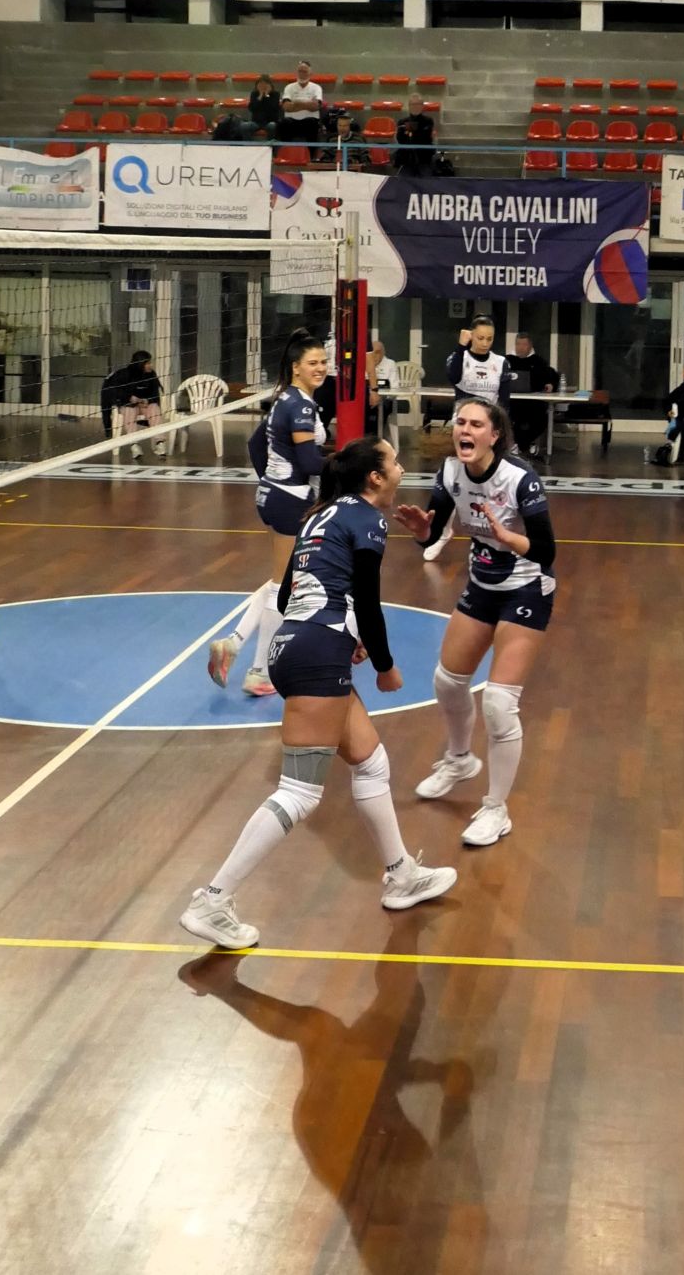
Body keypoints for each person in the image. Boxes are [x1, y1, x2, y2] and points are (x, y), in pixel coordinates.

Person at [182, 437, 458, 949]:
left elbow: (289, 592)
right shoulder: (367, 519)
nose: (401, 468)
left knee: (371, 763)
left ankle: (401, 874)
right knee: (300, 792)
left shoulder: (317, 517)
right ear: (375, 477)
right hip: (318, 653)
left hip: (296, 646)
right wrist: (384, 665)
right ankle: (213, 901)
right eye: (394, 462)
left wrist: (339, 630)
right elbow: (369, 602)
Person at [394, 399, 555, 847]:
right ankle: (460, 759)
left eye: (476, 424)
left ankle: (496, 809)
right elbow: (434, 530)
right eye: (460, 422)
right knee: (447, 682)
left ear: (494, 436)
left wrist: (507, 537)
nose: (465, 430)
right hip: (482, 584)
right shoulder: (450, 472)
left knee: (499, 704)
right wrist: (422, 533)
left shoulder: (520, 479)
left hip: (526, 588)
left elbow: (546, 550)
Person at [208, 328, 329, 697]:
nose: (320, 368)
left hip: (275, 496)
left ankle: (233, 643)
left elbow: (255, 444)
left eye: (323, 361)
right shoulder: (301, 406)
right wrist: (348, 463)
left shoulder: (284, 399)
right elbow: (309, 462)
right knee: (283, 586)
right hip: (290, 500)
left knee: (281, 578)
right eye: (313, 363)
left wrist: (271, 481)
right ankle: (258, 672)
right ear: (296, 367)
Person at [422, 317, 517, 563]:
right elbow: (453, 377)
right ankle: (443, 532)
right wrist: (460, 346)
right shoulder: (459, 357)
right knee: (454, 478)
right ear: (471, 336)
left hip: (488, 430)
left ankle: (489, 536)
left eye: (489, 338)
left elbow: (504, 401)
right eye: (480, 337)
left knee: (489, 481)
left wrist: (502, 432)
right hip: (463, 427)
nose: (485, 343)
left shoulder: (501, 363)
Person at [506, 332, 559, 456]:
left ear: (530, 346)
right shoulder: (506, 360)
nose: (520, 347)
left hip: (533, 403)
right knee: (507, 417)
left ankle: (522, 444)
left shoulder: (539, 362)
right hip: (512, 402)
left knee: (542, 419)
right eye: (518, 344)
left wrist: (551, 385)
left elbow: (552, 376)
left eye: (524, 344)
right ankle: (520, 445)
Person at [114, 350, 166, 460]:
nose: (150, 365)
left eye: (150, 362)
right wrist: (129, 398)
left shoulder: (151, 374)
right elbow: (116, 392)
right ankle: (134, 445)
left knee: (154, 408)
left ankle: (160, 443)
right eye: (148, 363)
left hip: (144, 405)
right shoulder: (124, 374)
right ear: (140, 364)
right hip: (128, 404)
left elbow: (155, 394)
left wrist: (147, 400)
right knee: (129, 410)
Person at [278, 60, 323, 145]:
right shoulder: (289, 87)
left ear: (310, 73)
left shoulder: (316, 88)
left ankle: (311, 153)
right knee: (283, 123)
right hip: (291, 121)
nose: (302, 74)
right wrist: (307, 104)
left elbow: (315, 107)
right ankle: (286, 151)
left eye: (305, 72)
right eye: (300, 71)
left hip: (310, 121)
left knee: (312, 124)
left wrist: (296, 103)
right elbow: (286, 107)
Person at [395, 94, 437, 177]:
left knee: (426, 181)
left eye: (418, 104)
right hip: (406, 159)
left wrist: (410, 131)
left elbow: (425, 138)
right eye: (413, 104)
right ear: (409, 106)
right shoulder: (402, 122)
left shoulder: (428, 121)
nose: (415, 106)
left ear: (422, 106)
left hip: (424, 158)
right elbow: (401, 140)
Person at [365, 338, 400, 439]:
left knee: (382, 407)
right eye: (372, 353)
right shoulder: (365, 362)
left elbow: (394, 386)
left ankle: (375, 436)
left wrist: (379, 394)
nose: (374, 356)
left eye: (377, 353)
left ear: (382, 353)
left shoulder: (390, 364)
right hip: (367, 398)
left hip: (385, 399)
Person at [239, 74, 280, 141]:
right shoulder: (254, 94)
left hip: (270, 121)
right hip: (256, 122)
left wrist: (266, 95)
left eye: (265, 84)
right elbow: (252, 108)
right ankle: (249, 145)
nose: (263, 86)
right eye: (260, 84)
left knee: (273, 126)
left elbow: (274, 108)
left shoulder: (275, 94)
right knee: (244, 126)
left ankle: (270, 144)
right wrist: (260, 96)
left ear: (270, 85)